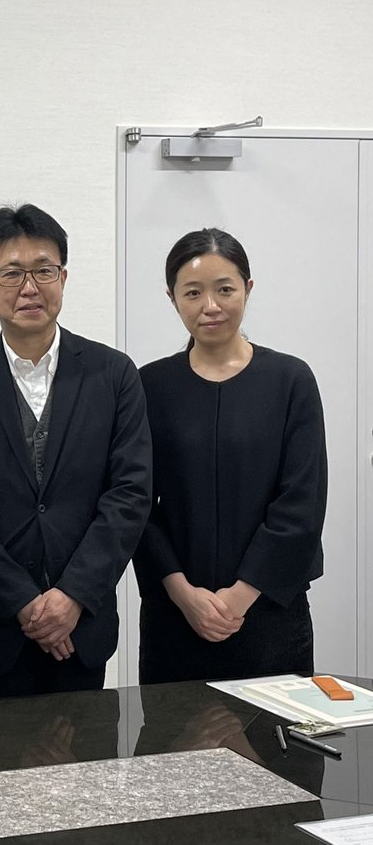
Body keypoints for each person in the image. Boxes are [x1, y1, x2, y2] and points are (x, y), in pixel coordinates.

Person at [0, 203, 151, 700]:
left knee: (88, 752)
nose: (29, 287)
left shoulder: (113, 375)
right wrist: (24, 602)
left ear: (64, 277)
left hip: (82, 629)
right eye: (11, 273)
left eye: (44, 270)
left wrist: (72, 595)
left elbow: (130, 493)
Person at [133, 228, 326, 683]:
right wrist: (182, 593)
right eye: (193, 293)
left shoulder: (290, 380)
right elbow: (135, 502)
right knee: (172, 730)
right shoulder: (149, 385)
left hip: (269, 613)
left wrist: (239, 598)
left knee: (274, 730)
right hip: (175, 615)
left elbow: (301, 503)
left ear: (248, 289)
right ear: (172, 298)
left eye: (225, 289)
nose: (211, 306)